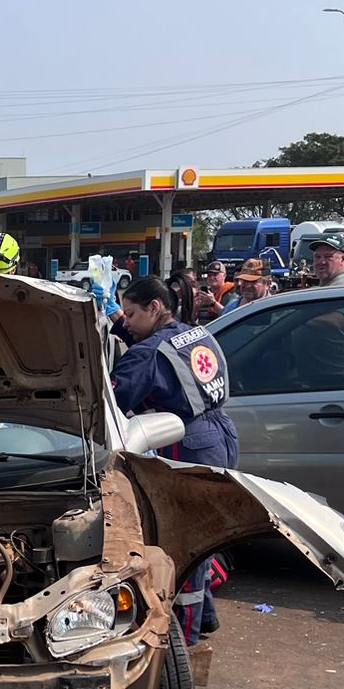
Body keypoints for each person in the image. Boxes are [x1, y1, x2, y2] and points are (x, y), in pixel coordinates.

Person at [110, 276, 239, 644]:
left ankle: (181, 643)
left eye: (131, 314)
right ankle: (207, 618)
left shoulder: (146, 353)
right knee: (205, 535)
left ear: (154, 308)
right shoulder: (195, 333)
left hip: (185, 441)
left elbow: (112, 405)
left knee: (181, 548)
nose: (127, 323)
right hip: (223, 432)